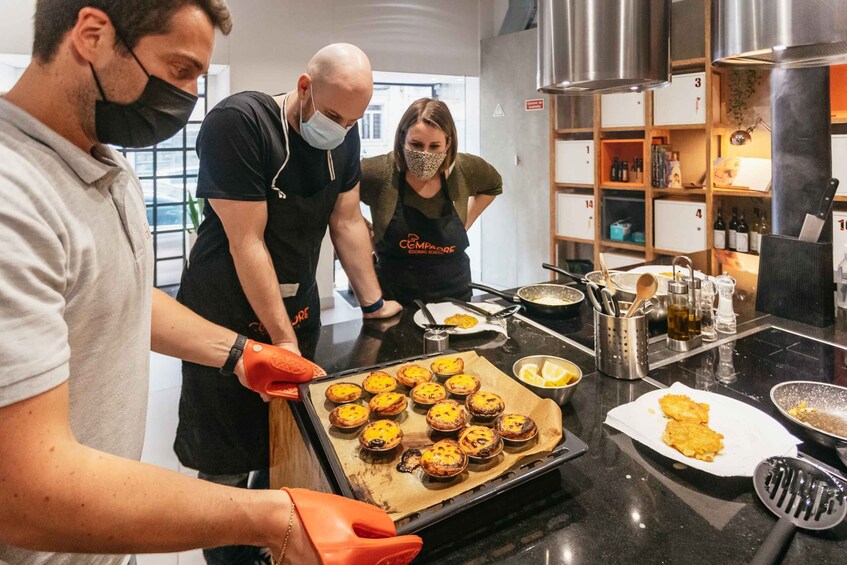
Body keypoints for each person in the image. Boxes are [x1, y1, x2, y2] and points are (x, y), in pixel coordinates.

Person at [0, 3, 420, 565]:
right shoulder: (13, 195)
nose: (192, 96)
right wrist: (277, 521)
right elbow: (23, 492)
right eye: (180, 70)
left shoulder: (107, 169)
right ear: (92, 36)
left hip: (91, 549)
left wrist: (244, 354)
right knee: (224, 453)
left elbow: (122, 297)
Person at [174, 43, 403, 563]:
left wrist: (373, 304)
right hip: (225, 316)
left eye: (354, 120)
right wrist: (281, 342)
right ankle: (230, 553)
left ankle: (268, 543)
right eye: (335, 115)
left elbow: (345, 223)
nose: (342, 128)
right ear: (304, 87)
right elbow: (246, 241)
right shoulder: (241, 123)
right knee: (227, 459)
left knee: (283, 447)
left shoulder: (339, 141)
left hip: (297, 313)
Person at [361, 98, 503, 305]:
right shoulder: (379, 172)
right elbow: (336, 199)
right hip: (394, 296)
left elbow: (494, 185)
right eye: (416, 145)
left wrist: (467, 222)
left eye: (434, 146)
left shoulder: (466, 169)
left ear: (448, 143)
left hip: (453, 294)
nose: (424, 154)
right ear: (402, 139)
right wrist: (366, 234)